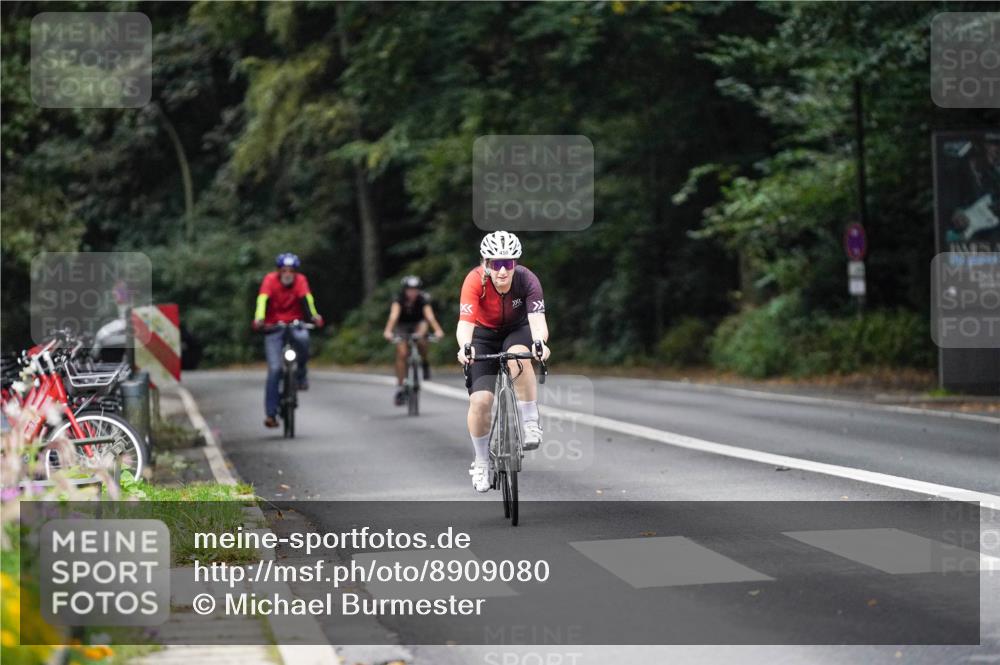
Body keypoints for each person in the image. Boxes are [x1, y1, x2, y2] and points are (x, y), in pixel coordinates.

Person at [456, 231, 550, 492]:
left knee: (519, 357)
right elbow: (464, 324)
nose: (502, 271)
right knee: (481, 401)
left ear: (515, 263)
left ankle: (530, 422)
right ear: (485, 262)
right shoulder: (474, 281)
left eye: (507, 263)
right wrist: (465, 347)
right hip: (483, 336)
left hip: (516, 331)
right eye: (495, 263)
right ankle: (482, 460)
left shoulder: (527, 280)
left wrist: (540, 343)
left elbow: (538, 323)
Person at [252, 253, 324, 428]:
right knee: (275, 369)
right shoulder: (270, 280)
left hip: (295, 324)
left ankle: (300, 376)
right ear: (278, 271)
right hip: (274, 327)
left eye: (291, 270)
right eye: (284, 270)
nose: (287, 274)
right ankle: (271, 414)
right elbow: (262, 300)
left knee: (304, 340)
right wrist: (259, 319)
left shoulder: (300, 281)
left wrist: (314, 316)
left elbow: (307, 299)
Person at [383, 275, 446, 405]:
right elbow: (393, 316)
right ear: (405, 290)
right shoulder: (398, 299)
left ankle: (424, 361)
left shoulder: (423, 299)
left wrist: (438, 330)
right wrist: (388, 331)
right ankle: (401, 385)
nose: (412, 292)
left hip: (418, 324)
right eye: (410, 289)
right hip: (402, 326)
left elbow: (430, 316)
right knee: (402, 354)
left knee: (422, 339)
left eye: (415, 289)